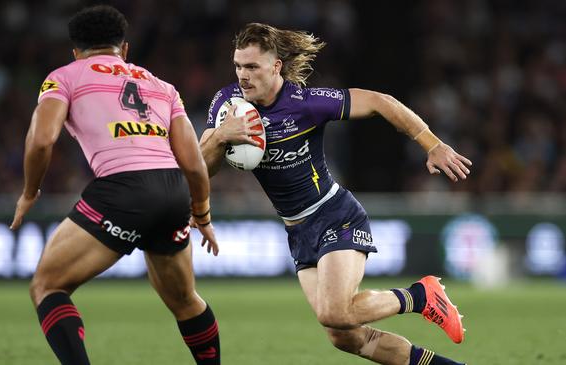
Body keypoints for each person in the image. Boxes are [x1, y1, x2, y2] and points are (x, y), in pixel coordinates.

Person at [200, 23, 472, 365]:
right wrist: (221, 135)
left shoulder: (306, 103)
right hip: (297, 230)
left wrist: (432, 144)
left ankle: (420, 296)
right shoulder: (227, 103)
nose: (243, 75)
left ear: (275, 66)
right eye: (238, 66)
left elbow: (380, 102)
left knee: (336, 313)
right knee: (345, 337)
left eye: (252, 66)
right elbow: (204, 166)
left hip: (334, 215)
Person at [10, 6, 221, 365]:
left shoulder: (65, 76)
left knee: (47, 286)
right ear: (124, 49)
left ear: (75, 51)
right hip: (173, 192)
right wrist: (201, 213)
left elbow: (42, 140)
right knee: (185, 300)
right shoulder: (162, 86)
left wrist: (30, 192)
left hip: (124, 189)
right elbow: (194, 163)